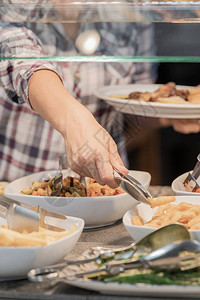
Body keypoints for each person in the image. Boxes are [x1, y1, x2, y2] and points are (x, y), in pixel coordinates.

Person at [0, 0, 200, 186]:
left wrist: (176, 113)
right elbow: (23, 64)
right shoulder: (17, 7)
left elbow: (135, 107)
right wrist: (74, 121)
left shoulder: (132, 13)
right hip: (20, 193)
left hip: (106, 191)